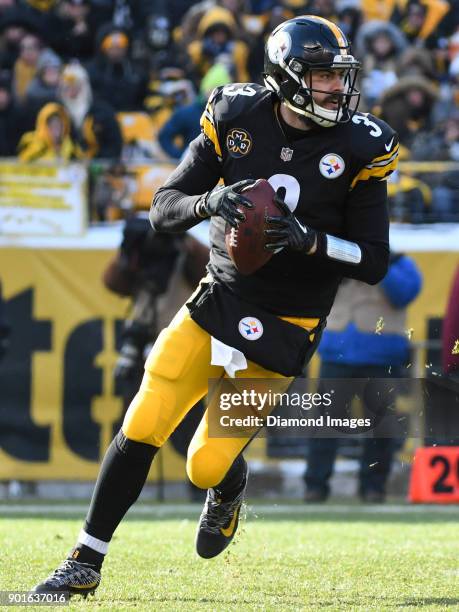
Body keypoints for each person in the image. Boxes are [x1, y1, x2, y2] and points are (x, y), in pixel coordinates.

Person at [33, 15, 399, 596]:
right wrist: (212, 201)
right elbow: (162, 208)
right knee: (145, 419)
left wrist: (312, 240)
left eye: (340, 75)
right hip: (219, 298)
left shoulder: (360, 147)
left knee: (203, 465)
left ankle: (228, 488)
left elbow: (375, 260)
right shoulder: (237, 115)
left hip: (287, 324)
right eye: (324, 75)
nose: (337, 87)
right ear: (287, 77)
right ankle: (84, 561)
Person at [304, 252, 422, 503]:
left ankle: (374, 488)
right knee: (324, 427)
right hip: (337, 354)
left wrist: (376, 262)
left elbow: (405, 293)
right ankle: (315, 486)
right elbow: (312, 287)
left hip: (381, 358)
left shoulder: (400, 262)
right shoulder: (336, 257)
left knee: (381, 430)